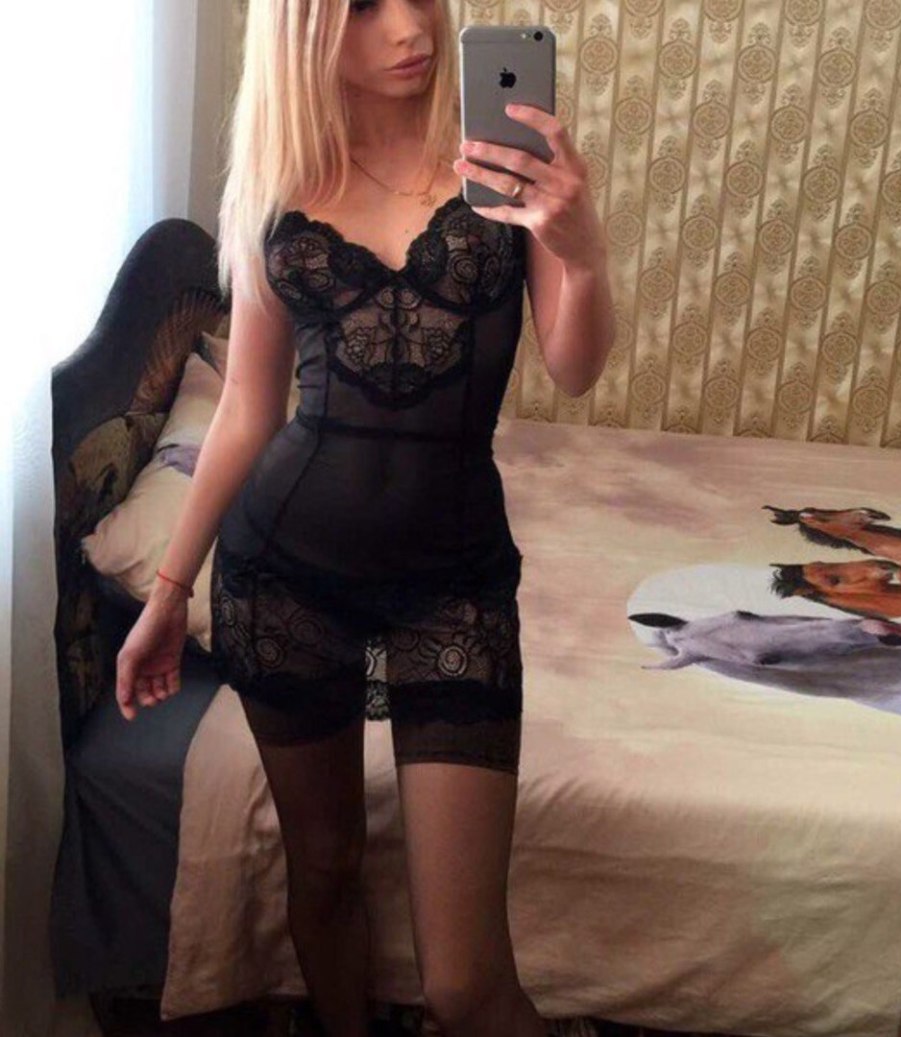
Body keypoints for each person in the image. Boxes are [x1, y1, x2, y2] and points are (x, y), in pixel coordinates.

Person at [115, 1, 613, 1034]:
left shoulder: (504, 166)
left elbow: (574, 367)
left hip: (456, 585)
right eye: (361, 9)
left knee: (466, 984)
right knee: (326, 865)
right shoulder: (279, 190)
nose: (409, 28)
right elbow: (247, 411)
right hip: (284, 579)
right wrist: (168, 590)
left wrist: (581, 245)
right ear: (305, 32)